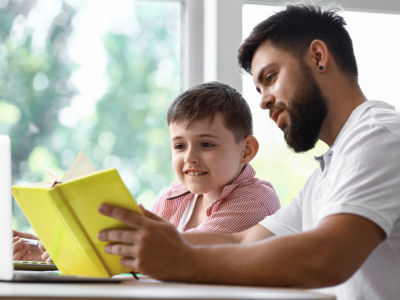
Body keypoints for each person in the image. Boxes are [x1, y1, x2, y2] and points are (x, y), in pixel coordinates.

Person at [96, 3, 400, 300]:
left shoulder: (377, 135)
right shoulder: (327, 173)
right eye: (258, 89)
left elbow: (327, 256)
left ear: (318, 57)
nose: (264, 102)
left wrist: (182, 260)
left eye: (270, 77)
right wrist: (146, 243)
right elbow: (242, 240)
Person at [13, 81, 280, 260]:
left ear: (246, 150)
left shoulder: (255, 199)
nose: (190, 157)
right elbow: (132, 247)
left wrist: (81, 248)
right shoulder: (173, 196)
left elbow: (173, 250)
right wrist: (45, 248)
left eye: (206, 144)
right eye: (179, 145)